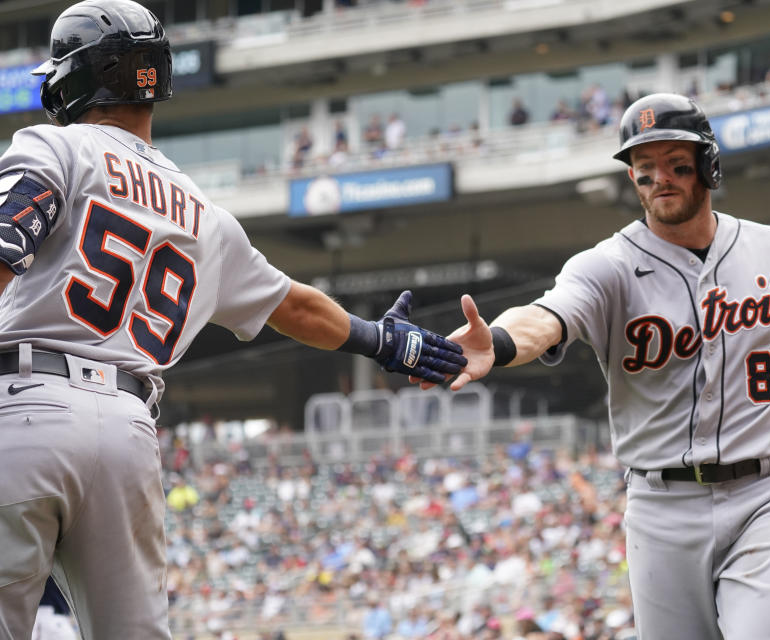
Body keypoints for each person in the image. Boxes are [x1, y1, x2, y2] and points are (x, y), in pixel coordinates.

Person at [0, 2, 466, 638]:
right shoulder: (204, 213)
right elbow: (294, 306)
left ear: (78, 76)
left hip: (27, 406)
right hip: (129, 432)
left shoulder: (53, 144)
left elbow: (5, 243)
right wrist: (383, 342)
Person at [421, 93, 770, 639]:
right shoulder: (608, 266)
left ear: (708, 165)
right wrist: (502, 343)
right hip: (660, 506)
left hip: (765, 493)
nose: (659, 179)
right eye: (644, 168)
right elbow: (549, 315)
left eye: (675, 164)